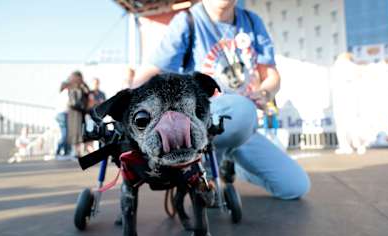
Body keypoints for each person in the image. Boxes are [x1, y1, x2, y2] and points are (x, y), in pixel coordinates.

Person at [132, 0, 310, 200]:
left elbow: (272, 76)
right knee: (243, 110)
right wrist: (130, 108)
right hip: (203, 122)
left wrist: (265, 92)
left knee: (295, 186)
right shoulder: (188, 21)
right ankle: (196, 169)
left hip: (241, 126)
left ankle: (229, 163)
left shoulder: (251, 21)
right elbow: (150, 72)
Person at [67, 71, 90, 158]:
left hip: (81, 112)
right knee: (75, 132)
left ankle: (80, 152)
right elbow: (72, 102)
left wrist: (83, 84)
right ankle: (75, 152)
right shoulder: (71, 87)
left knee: (81, 132)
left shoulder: (83, 87)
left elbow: (88, 92)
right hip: (74, 113)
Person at [55, 81, 71, 158]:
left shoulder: (60, 94)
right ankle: (59, 150)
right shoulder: (66, 92)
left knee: (65, 133)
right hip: (64, 114)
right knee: (65, 134)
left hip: (59, 114)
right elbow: (69, 104)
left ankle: (65, 151)